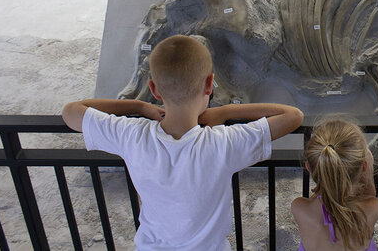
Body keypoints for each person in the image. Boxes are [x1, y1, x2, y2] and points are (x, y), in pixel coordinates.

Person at [62, 35, 303, 250]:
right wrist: (226, 112)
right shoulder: (222, 144)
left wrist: (138, 106)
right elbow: (292, 116)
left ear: (154, 89)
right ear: (209, 84)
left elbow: (72, 111)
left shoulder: (131, 135)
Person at [291, 120, 378, 251]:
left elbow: (324, 197)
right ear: (364, 167)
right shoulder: (372, 209)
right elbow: (369, 196)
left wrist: (326, 182)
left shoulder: (300, 208)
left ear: (309, 168)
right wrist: (368, 167)